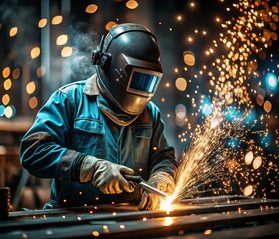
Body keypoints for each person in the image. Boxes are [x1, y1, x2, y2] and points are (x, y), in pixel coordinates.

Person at [19, 23, 178, 210]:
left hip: (131, 220)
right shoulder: (70, 100)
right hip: (73, 222)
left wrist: (162, 176)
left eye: (148, 81)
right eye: (138, 78)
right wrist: (88, 167)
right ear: (114, 68)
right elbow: (33, 150)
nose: (142, 88)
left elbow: (163, 157)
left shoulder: (150, 113)